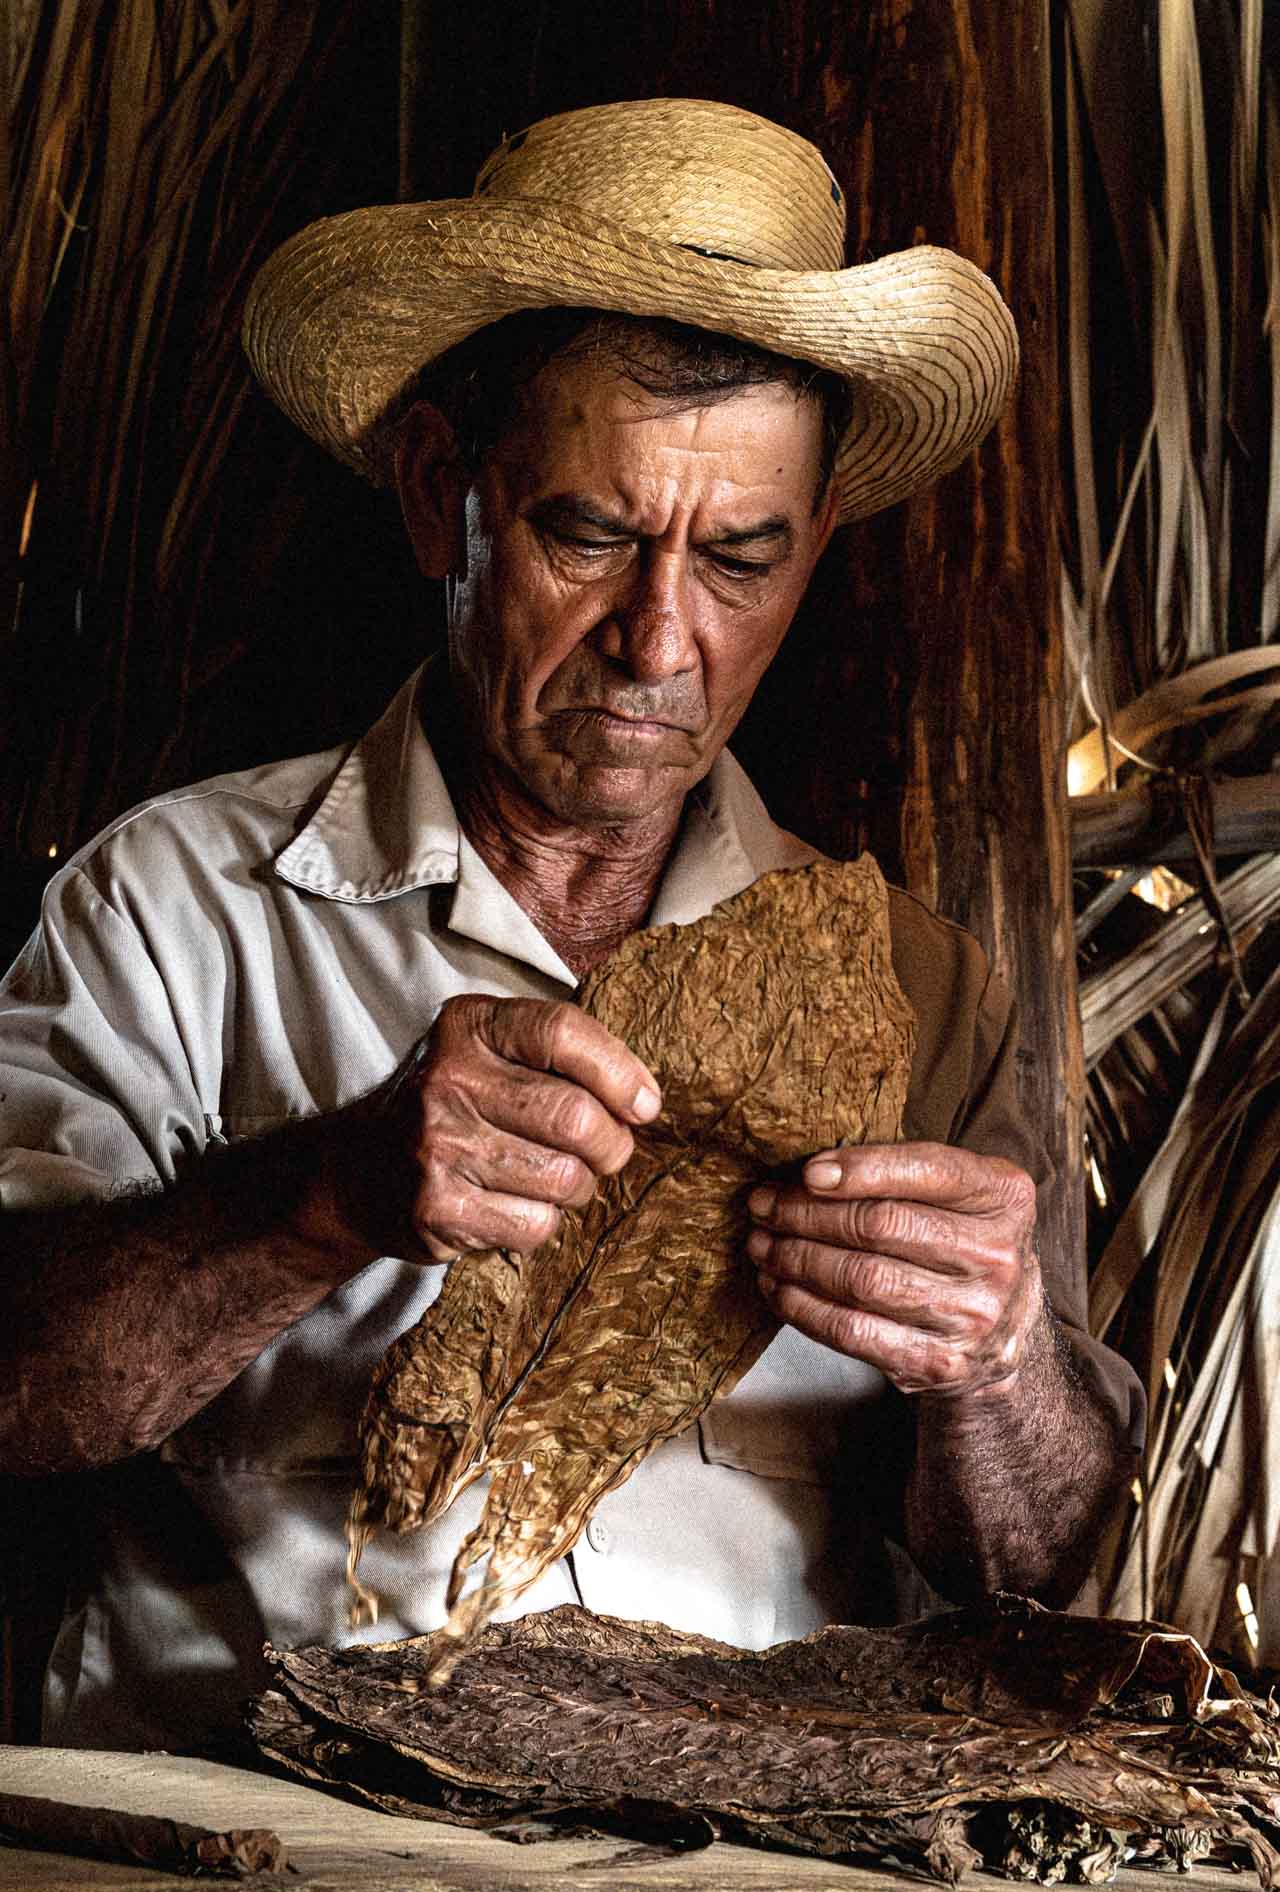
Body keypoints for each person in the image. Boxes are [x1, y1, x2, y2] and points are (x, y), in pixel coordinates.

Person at [0, 98, 1142, 1754]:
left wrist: (1000, 1366)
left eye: (741, 555)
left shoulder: (919, 990)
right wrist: (314, 1200)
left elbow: (1068, 1573)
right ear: (438, 499)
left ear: (816, 546)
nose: (659, 639)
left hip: (737, 1871)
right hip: (256, 1863)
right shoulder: (171, 907)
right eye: (589, 535)